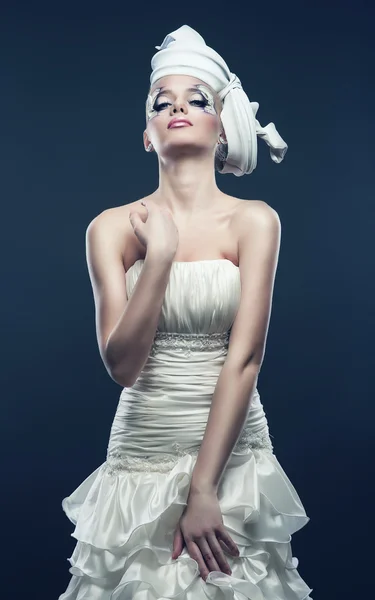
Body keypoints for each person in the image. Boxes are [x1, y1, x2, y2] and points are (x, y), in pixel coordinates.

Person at [58, 25, 313, 599]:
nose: (177, 108)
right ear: (147, 134)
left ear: (221, 126)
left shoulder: (255, 221)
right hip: (142, 447)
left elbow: (245, 359)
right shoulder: (111, 228)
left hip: (232, 452)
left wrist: (204, 487)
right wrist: (161, 255)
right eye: (162, 102)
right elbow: (121, 365)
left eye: (197, 99)